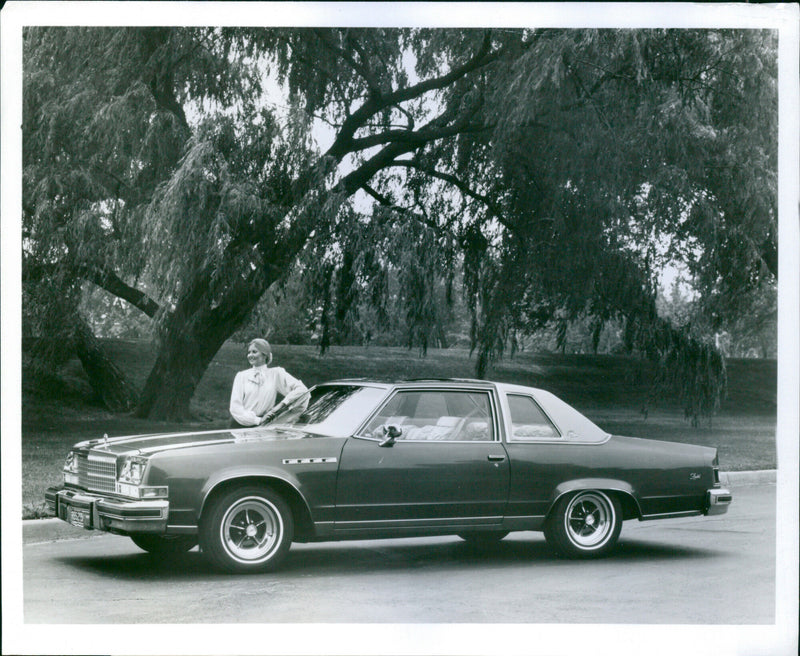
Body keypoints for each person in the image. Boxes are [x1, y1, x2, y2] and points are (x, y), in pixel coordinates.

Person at [229, 338, 309, 428]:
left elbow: (303, 391)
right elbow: (235, 407)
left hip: (265, 425)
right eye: (249, 352)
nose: (250, 355)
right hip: (240, 425)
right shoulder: (241, 376)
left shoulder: (276, 374)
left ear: (265, 355)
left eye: (254, 352)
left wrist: (280, 406)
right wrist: (257, 420)